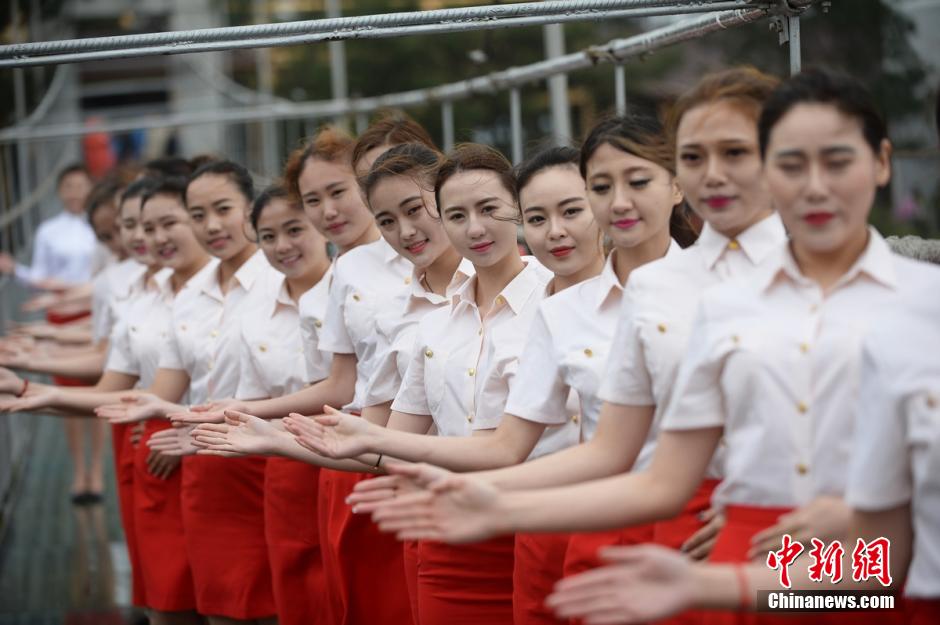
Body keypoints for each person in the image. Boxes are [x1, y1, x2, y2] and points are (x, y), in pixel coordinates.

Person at [368, 67, 920, 625]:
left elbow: (883, 567)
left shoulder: (919, 298)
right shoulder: (685, 296)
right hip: (730, 541)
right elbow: (642, 467)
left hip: (840, 554)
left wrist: (849, 525)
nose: (715, 175)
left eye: (736, 153)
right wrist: (495, 501)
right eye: (695, 157)